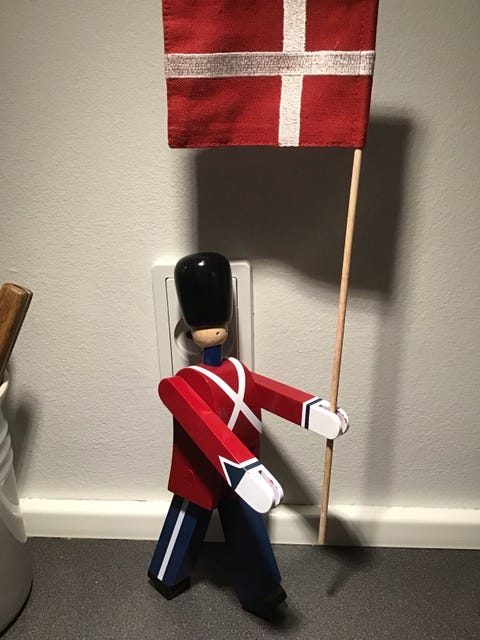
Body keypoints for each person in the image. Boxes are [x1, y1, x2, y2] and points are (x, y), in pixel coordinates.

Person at [148, 252, 348, 615]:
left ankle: (260, 590)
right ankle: (165, 576)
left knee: (246, 525)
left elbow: (273, 393)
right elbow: (204, 425)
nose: (213, 331)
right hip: (204, 471)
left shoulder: (238, 370)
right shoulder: (178, 385)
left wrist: (317, 413)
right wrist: (244, 468)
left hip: (240, 472)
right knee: (184, 525)